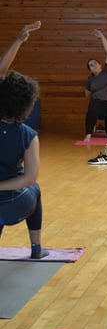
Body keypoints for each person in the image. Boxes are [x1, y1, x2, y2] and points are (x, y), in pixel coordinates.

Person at [0, 21, 48, 259]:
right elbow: (30, 178)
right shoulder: (28, 135)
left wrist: (19, 38)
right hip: (15, 204)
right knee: (35, 189)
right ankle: (36, 249)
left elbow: (0, 72)